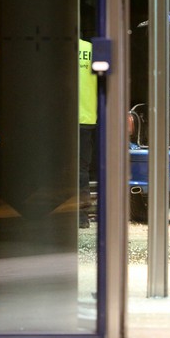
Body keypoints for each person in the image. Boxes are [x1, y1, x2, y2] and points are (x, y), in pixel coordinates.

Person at [78, 38, 97, 229]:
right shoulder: (92, 49)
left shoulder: (55, 50)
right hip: (87, 116)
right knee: (81, 170)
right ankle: (81, 217)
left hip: (58, 121)